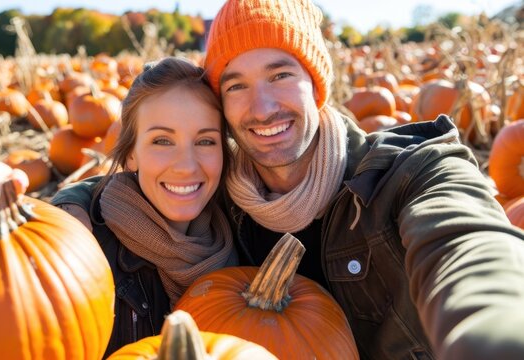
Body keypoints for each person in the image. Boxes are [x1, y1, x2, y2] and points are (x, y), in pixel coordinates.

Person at [54, 0, 524, 359]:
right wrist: (55, 214)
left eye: (280, 74)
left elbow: (467, 242)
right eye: (236, 85)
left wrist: (493, 328)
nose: (261, 109)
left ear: (316, 82)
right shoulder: (221, 198)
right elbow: (124, 190)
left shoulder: (407, 175)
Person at [0, 57, 237, 357]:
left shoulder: (240, 225)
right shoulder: (81, 246)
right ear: (130, 154)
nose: (186, 166)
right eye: (162, 141)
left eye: (205, 141)